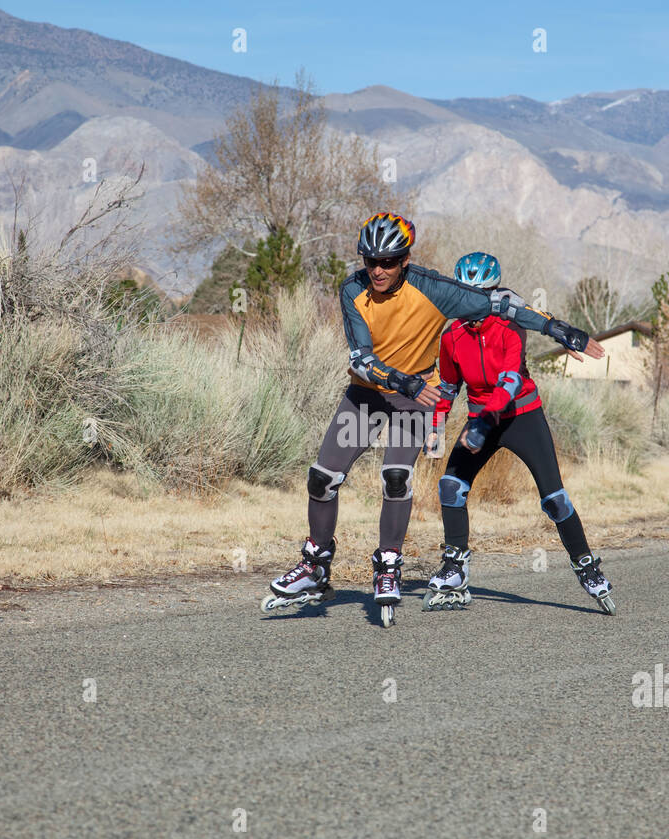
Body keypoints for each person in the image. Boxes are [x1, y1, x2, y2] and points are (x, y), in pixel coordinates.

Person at [262, 215, 604, 626]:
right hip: (370, 394)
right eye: (370, 260)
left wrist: (558, 328)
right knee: (322, 477)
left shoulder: (433, 289)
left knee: (395, 477)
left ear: (405, 260)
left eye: (388, 261)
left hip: (417, 396)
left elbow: (502, 302)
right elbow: (361, 359)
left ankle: (388, 565)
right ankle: (316, 565)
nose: (377, 270)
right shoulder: (351, 290)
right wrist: (402, 384)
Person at [424, 251, 616, 614]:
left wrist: (483, 422)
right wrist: (436, 425)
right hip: (481, 420)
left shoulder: (510, 328)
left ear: (493, 294)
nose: (470, 306)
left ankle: (587, 567)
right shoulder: (451, 337)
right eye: (464, 296)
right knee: (450, 487)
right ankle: (455, 567)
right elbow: (448, 386)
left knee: (555, 500)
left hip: (520, 415)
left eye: (479, 296)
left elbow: (510, 381)